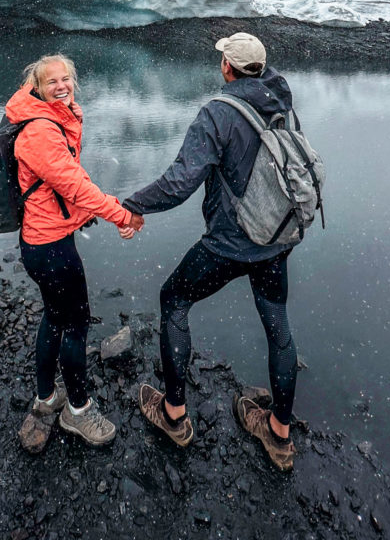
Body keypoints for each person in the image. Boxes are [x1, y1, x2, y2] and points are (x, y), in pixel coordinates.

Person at [122, 32, 298, 470]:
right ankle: (279, 435)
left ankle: (174, 415)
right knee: (277, 324)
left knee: (174, 299)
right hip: (276, 239)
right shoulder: (283, 103)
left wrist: (131, 205)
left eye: (223, 58)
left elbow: (180, 183)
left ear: (227, 67)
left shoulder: (218, 113)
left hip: (230, 243)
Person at [6, 53, 143, 446]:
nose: (62, 86)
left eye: (66, 79)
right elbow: (75, 186)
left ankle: (47, 397)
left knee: (54, 316)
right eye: (52, 82)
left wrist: (86, 214)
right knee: (76, 324)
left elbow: (62, 187)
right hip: (51, 249)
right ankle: (79, 412)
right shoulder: (41, 132)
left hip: (42, 239)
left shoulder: (47, 119)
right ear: (37, 87)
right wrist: (121, 215)